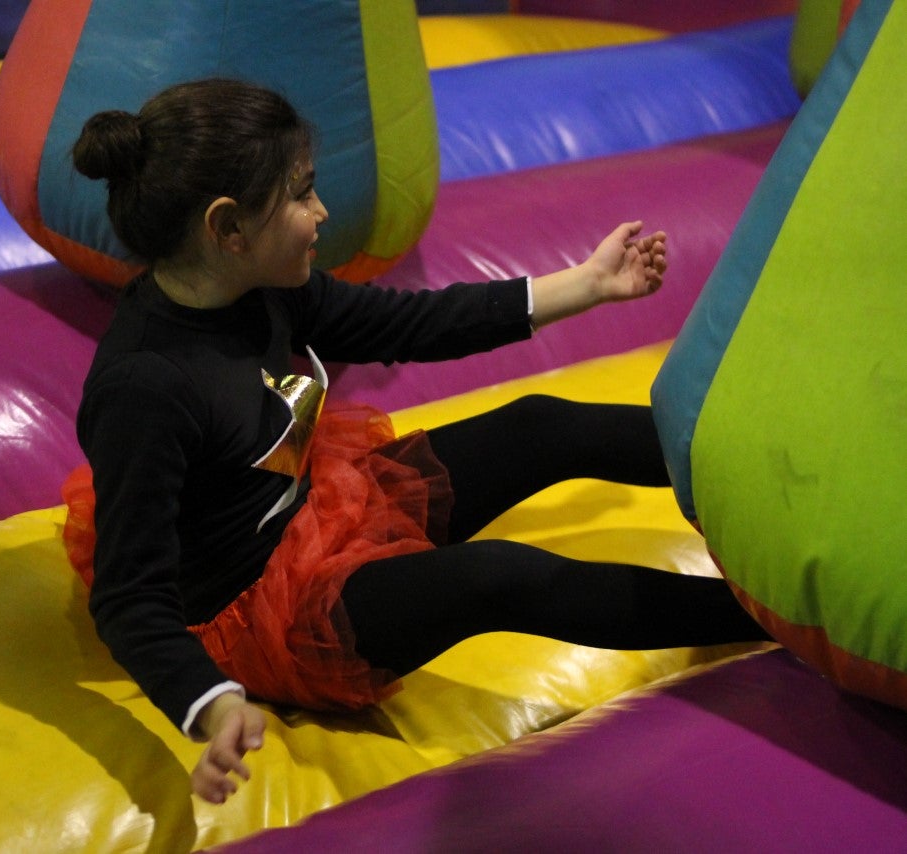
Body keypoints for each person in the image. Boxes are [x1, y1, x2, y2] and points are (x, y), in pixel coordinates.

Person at [60, 78, 770, 805]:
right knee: (495, 577)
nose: (322, 212)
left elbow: (407, 323)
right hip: (255, 609)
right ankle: (776, 618)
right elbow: (130, 597)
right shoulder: (144, 387)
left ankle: (773, 472)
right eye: (302, 195)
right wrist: (210, 703)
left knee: (541, 423)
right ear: (227, 228)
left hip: (315, 507)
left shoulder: (262, 285)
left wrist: (584, 284)